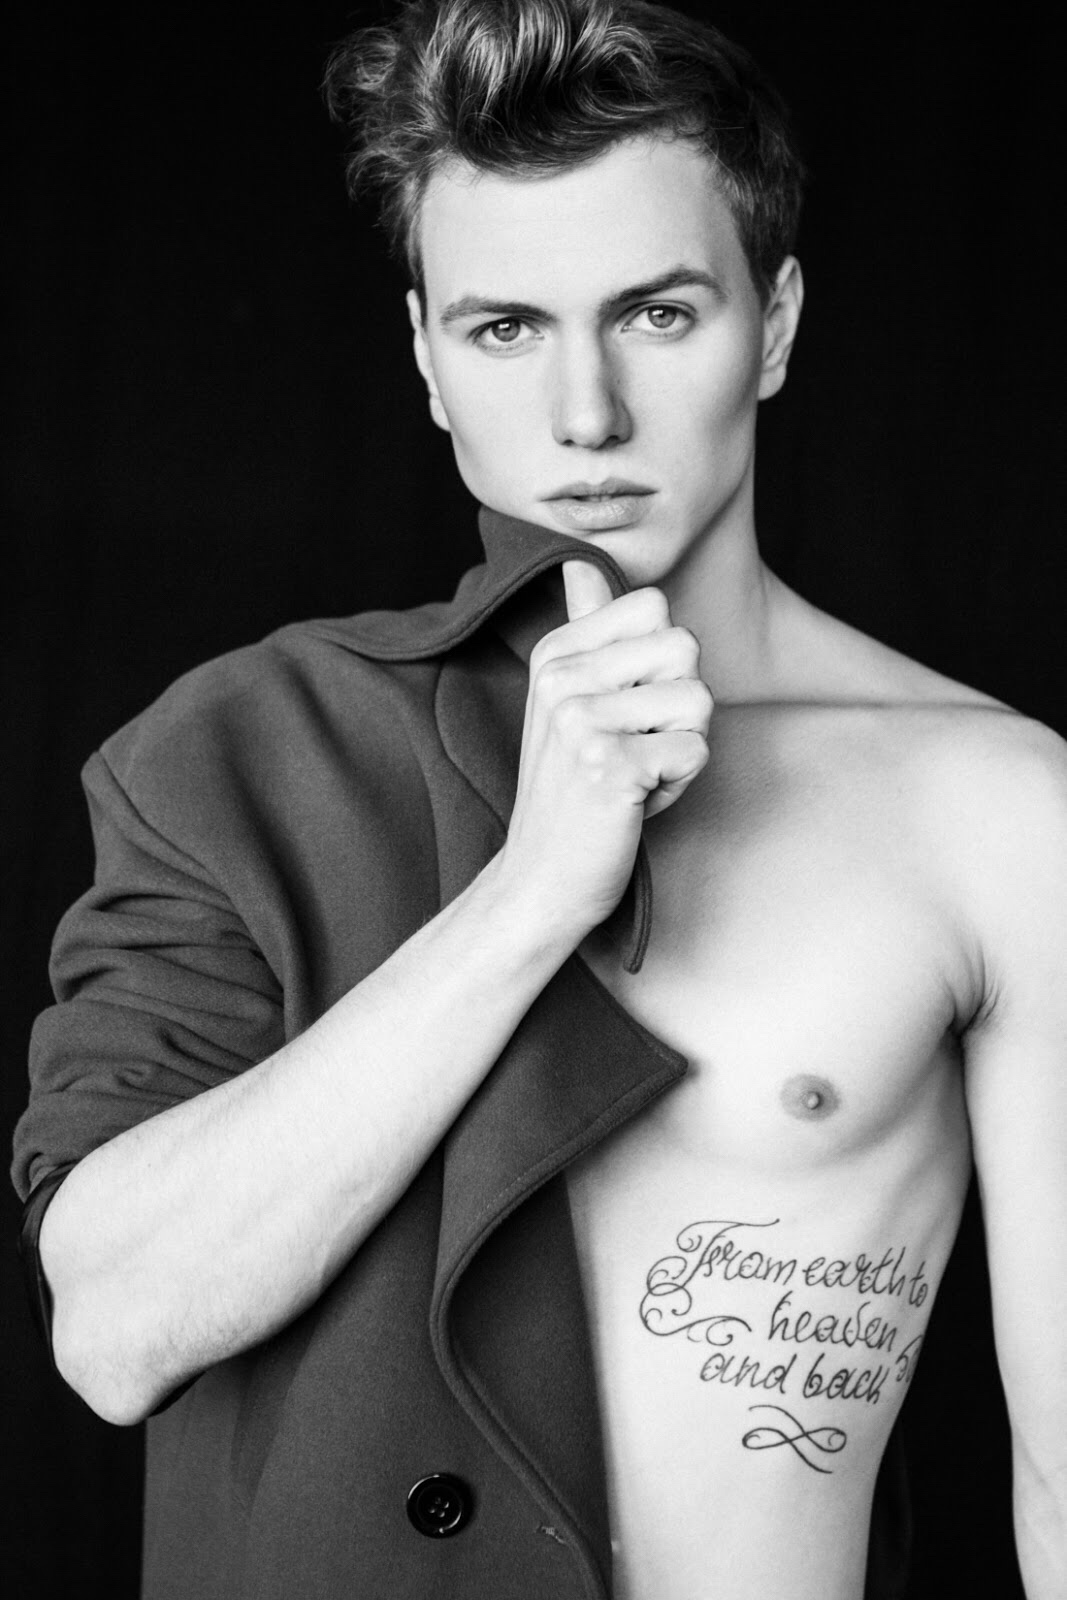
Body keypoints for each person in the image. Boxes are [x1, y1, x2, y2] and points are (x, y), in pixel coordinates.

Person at [12, 0, 1067, 1596]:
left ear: (775, 323)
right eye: (507, 328)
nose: (587, 414)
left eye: (657, 313)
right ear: (430, 362)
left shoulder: (994, 805)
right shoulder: (239, 750)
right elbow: (113, 1331)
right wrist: (529, 896)